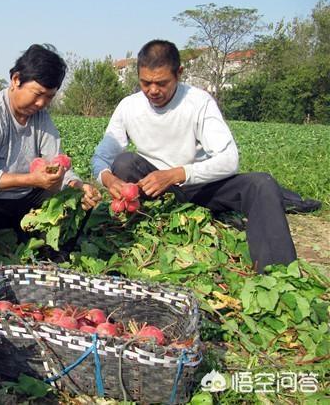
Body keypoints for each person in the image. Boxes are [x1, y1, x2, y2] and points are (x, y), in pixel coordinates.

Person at [92, 39, 319, 273]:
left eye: (161, 83)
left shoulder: (198, 102)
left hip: (200, 185)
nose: (152, 90)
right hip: (155, 188)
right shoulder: (129, 106)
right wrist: (108, 179)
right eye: (145, 82)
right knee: (124, 163)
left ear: (179, 73)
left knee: (261, 184)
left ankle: (277, 273)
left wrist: (177, 174)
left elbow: (229, 159)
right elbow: (102, 156)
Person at [0, 44, 101, 315]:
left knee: (72, 199)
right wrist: (32, 179)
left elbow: (57, 163)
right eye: (37, 95)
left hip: (19, 205)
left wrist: (77, 186)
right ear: (16, 80)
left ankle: (55, 260)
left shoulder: (41, 118)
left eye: (48, 98)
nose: (41, 104)